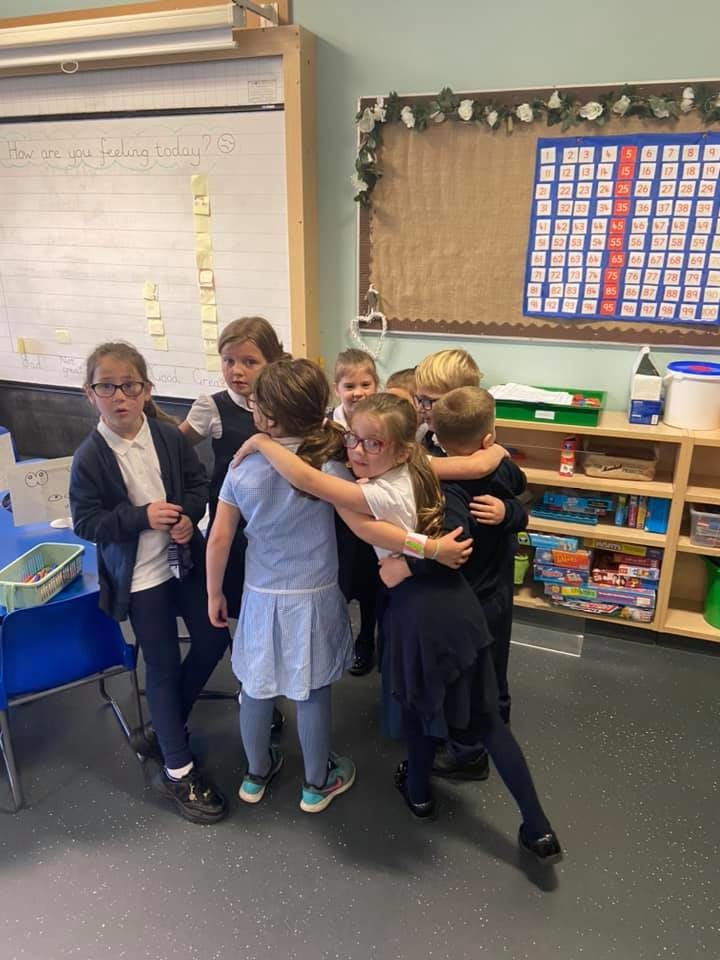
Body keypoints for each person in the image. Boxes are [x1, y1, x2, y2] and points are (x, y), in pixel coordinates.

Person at [233, 393, 562, 864]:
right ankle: (537, 826)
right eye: (354, 439)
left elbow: (309, 481)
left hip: (417, 612)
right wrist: (426, 546)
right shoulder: (419, 468)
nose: (357, 451)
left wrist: (263, 441)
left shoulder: (381, 491)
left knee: (421, 711)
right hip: (456, 607)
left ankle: (420, 795)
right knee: (486, 719)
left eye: (373, 443)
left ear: (402, 449)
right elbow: (375, 521)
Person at [69, 341, 230, 824]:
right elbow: (86, 522)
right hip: (141, 578)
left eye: (129, 386)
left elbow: (197, 485)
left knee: (212, 639)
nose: (119, 396)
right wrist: (142, 517)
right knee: (160, 664)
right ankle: (178, 770)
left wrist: (188, 517)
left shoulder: (166, 436)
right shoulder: (89, 456)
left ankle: (164, 726)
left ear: (146, 390)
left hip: (183, 562)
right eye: (106, 387)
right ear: (89, 394)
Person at [422, 387, 528, 779]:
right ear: (489, 437)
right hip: (497, 592)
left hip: (469, 599)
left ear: (437, 438)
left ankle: (468, 754)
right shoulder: (500, 463)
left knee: (466, 674)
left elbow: (455, 549)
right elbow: (520, 491)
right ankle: (498, 725)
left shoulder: (448, 490)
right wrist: (509, 513)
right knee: (494, 665)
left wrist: (418, 560)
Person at [178, 316, 289, 619]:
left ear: (272, 362)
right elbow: (175, 446)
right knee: (237, 599)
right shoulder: (212, 407)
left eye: (249, 362)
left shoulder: (286, 405)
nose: (236, 371)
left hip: (277, 517)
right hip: (233, 519)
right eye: (228, 361)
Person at [330, 348, 381, 676]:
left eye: (365, 384)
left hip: (374, 516)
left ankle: (367, 640)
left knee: (372, 586)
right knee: (339, 583)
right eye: (349, 386)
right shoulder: (328, 425)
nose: (358, 392)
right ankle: (335, 642)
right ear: (337, 388)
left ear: (376, 385)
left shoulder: (383, 421)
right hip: (336, 521)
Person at [414, 349, 483, 454]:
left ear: (461, 402)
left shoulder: (481, 451)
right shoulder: (428, 435)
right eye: (419, 399)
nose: (419, 409)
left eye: (428, 400)